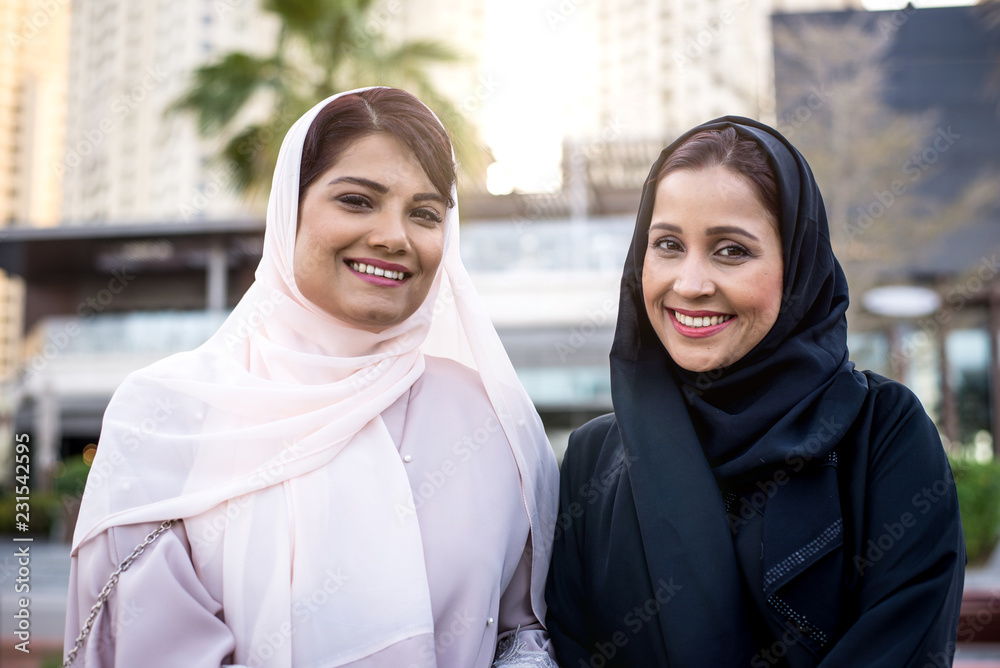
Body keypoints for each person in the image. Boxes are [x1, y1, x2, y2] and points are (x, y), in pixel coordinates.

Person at [64, 87, 560, 668]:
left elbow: (521, 631)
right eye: (356, 201)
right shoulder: (167, 415)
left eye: (425, 213)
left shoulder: (489, 418)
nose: (393, 236)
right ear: (288, 211)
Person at [544, 117, 965, 667]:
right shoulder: (593, 461)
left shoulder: (883, 435)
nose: (690, 284)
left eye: (731, 251)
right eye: (668, 244)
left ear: (796, 267)